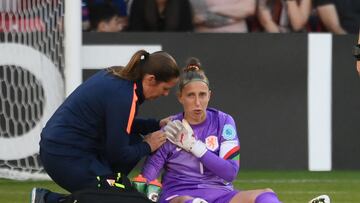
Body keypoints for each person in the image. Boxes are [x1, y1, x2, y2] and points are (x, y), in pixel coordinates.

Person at [30, 50, 180, 203]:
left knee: (124, 184)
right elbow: (119, 154)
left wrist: (156, 125)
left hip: (73, 151)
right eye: (165, 88)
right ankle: (51, 200)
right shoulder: (124, 96)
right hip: (64, 156)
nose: (166, 94)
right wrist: (148, 145)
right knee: (126, 196)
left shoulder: (122, 80)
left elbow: (119, 126)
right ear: (151, 79)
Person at [136, 57, 283, 203]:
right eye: (190, 95)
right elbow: (147, 177)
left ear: (209, 96)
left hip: (220, 194)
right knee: (184, 201)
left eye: (202, 95)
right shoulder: (172, 128)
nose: (197, 103)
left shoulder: (224, 122)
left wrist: (194, 146)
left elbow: (230, 173)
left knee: (266, 195)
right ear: (180, 97)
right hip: (178, 194)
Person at [190, 0, 255, 33]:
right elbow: (195, 16)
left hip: (238, 40)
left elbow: (248, 9)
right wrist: (233, 17)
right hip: (202, 41)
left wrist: (211, 10)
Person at [127, 0, 193, 32]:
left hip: (176, 45)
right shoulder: (139, 2)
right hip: (146, 47)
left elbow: (186, 31)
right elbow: (135, 30)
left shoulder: (183, 3)